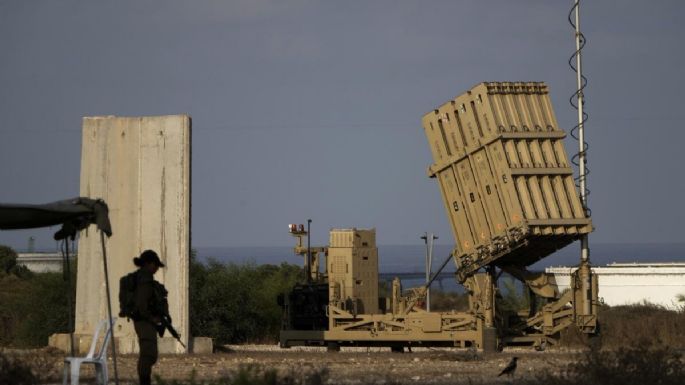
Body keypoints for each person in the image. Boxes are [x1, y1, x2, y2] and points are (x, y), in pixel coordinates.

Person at [131, 250, 166, 385]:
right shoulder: (144, 281)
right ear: (148, 264)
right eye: (155, 265)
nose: (157, 268)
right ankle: (144, 382)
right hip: (144, 321)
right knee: (148, 354)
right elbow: (141, 306)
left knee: (149, 354)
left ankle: (144, 380)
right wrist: (152, 318)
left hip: (145, 321)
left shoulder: (145, 279)